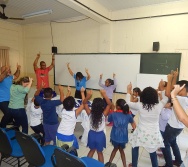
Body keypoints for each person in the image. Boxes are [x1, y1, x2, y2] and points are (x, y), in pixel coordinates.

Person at [126, 81, 169, 167]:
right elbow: (165, 98)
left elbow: (128, 103)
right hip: (153, 133)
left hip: (141, 132)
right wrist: (162, 88)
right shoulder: (159, 105)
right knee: (152, 152)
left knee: (135, 146)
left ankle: (134, 165)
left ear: (143, 96)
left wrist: (128, 90)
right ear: (155, 96)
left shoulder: (140, 105)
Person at [160, 79, 188, 167]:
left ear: (183, 89)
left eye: (177, 88)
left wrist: (170, 79)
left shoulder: (181, 98)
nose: (174, 89)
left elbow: (168, 94)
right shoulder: (184, 98)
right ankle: (178, 161)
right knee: (173, 143)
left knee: (164, 143)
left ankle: (169, 165)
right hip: (177, 127)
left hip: (173, 127)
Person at [83, 90, 111, 163]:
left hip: (91, 134)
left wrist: (88, 96)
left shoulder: (90, 113)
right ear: (102, 106)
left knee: (91, 150)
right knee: (100, 153)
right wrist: (104, 95)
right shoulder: (103, 114)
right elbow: (109, 104)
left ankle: (86, 164)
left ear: (93, 106)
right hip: (100, 136)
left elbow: (84, 103)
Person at [107, 99, 136, 167]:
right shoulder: (129, 115)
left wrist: (112, 110)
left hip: (115, 135)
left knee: (115, 149)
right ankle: (124, 165)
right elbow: (133, 123)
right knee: (121, 150)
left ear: (118, 107)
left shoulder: (114, 114)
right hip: (123, 136)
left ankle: (109, 163)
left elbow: (108, 119)